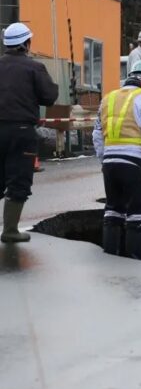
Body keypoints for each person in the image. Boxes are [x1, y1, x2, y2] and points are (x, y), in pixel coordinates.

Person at [92, 59, 141, 260]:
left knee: (113, 209)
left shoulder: (108, 98)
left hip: (110, 163)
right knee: (138, 212)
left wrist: (103, 159)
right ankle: (134, 260)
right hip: (133, 162)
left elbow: (97, 135)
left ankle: (110, 255)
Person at [0, 22, 59, 243]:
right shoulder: (34, 68)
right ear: (26, 43)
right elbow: (49, 97)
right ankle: (10, 230)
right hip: (21, 132)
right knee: (18, 180)